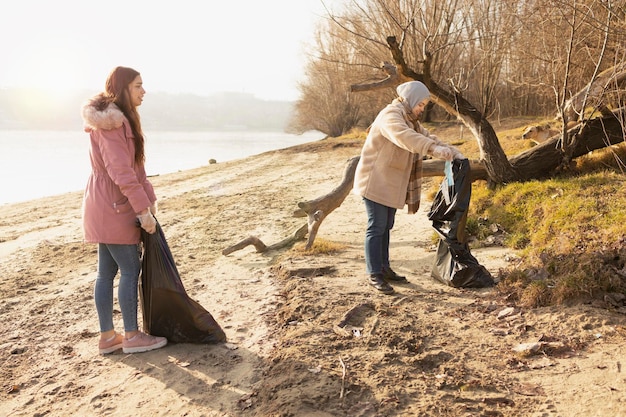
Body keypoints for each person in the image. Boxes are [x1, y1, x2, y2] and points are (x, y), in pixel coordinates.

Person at [81, 66, 168, 354]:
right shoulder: (114, 124)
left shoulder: (118, 120)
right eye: (138, 86)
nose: (144, 91)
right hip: (115, 205)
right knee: (130, 268)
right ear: (123, 89)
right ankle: (131, 335)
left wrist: (148, 202)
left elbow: (135, 171)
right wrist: (143, 210)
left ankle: (108, 338)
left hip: (103, 203)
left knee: (106, 273)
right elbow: (122, 172)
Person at [353, 81, 464, 295]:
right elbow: (404, 137)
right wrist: (433, 150)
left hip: (390, 182)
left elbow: (426, 136)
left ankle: (384, 269)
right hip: (374, 180)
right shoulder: (391, 116)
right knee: (376, 226)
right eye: (420, 104)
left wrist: (450, 150)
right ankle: (374, 274)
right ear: (411, 99)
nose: (422, 109)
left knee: (386, 226)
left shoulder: (410, 119)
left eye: (423, 105)